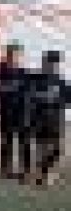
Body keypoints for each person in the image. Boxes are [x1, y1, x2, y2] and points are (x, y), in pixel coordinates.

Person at [28, 50, 69, 186]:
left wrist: (59, 101)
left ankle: (43, 171)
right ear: (44, 62)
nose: (52, 65)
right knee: (42, 147)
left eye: (55, 62)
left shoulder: (61, 82)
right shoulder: (35, 80)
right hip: (39, 119)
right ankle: (43, 174)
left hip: (56, 120)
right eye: (49, 62)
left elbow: (68, 99)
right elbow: (29, 97)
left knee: (57, 149)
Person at [0, 44, 31, 179]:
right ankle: (5, 168)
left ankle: (25, 170)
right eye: (10, 54)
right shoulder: (0, 72)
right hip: (5, 111)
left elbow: (30, 93)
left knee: (23, 142)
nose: (12, 57)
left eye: (15, 55)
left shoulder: (25, 73)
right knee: (6, 141)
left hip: (21, 113)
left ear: (20, 56)